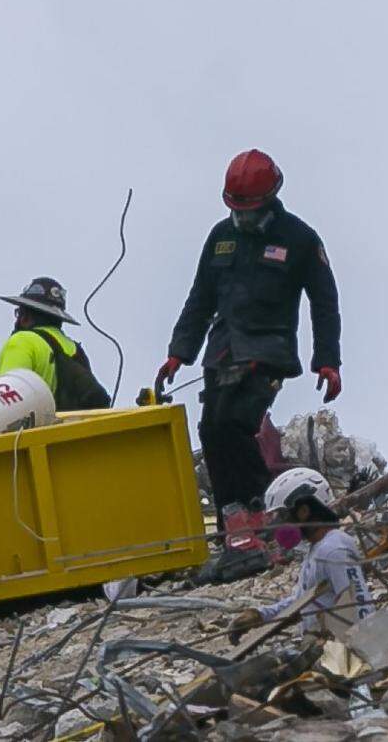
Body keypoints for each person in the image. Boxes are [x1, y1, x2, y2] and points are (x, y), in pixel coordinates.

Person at [157, 150, 342, 543]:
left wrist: (328, 360)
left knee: (237, 424)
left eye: (249, 210)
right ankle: (234, 524)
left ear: (270, 199)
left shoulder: (300, 239)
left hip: (268, 352)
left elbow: (324, 301)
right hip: (223, 351)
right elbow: (200, 298)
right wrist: (179, 352)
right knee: (211, 429)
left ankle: (264, 510)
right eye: (235, 210)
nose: (242, 218)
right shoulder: (221, 238)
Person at [229, 467, 372, 640]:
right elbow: (302, 602)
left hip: (341, 653)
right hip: (324, 650)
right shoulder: (317, 548)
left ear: (304, 511)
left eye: (283, 515)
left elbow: (359, 605)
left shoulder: (334, 549)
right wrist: (260, 616)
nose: (279, 524)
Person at [0, 277, 110, 410]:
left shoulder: (22, 341)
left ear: (24, 316)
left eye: (18, 313)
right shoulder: (75, 349)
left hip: (34, 430)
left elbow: (4, 402)